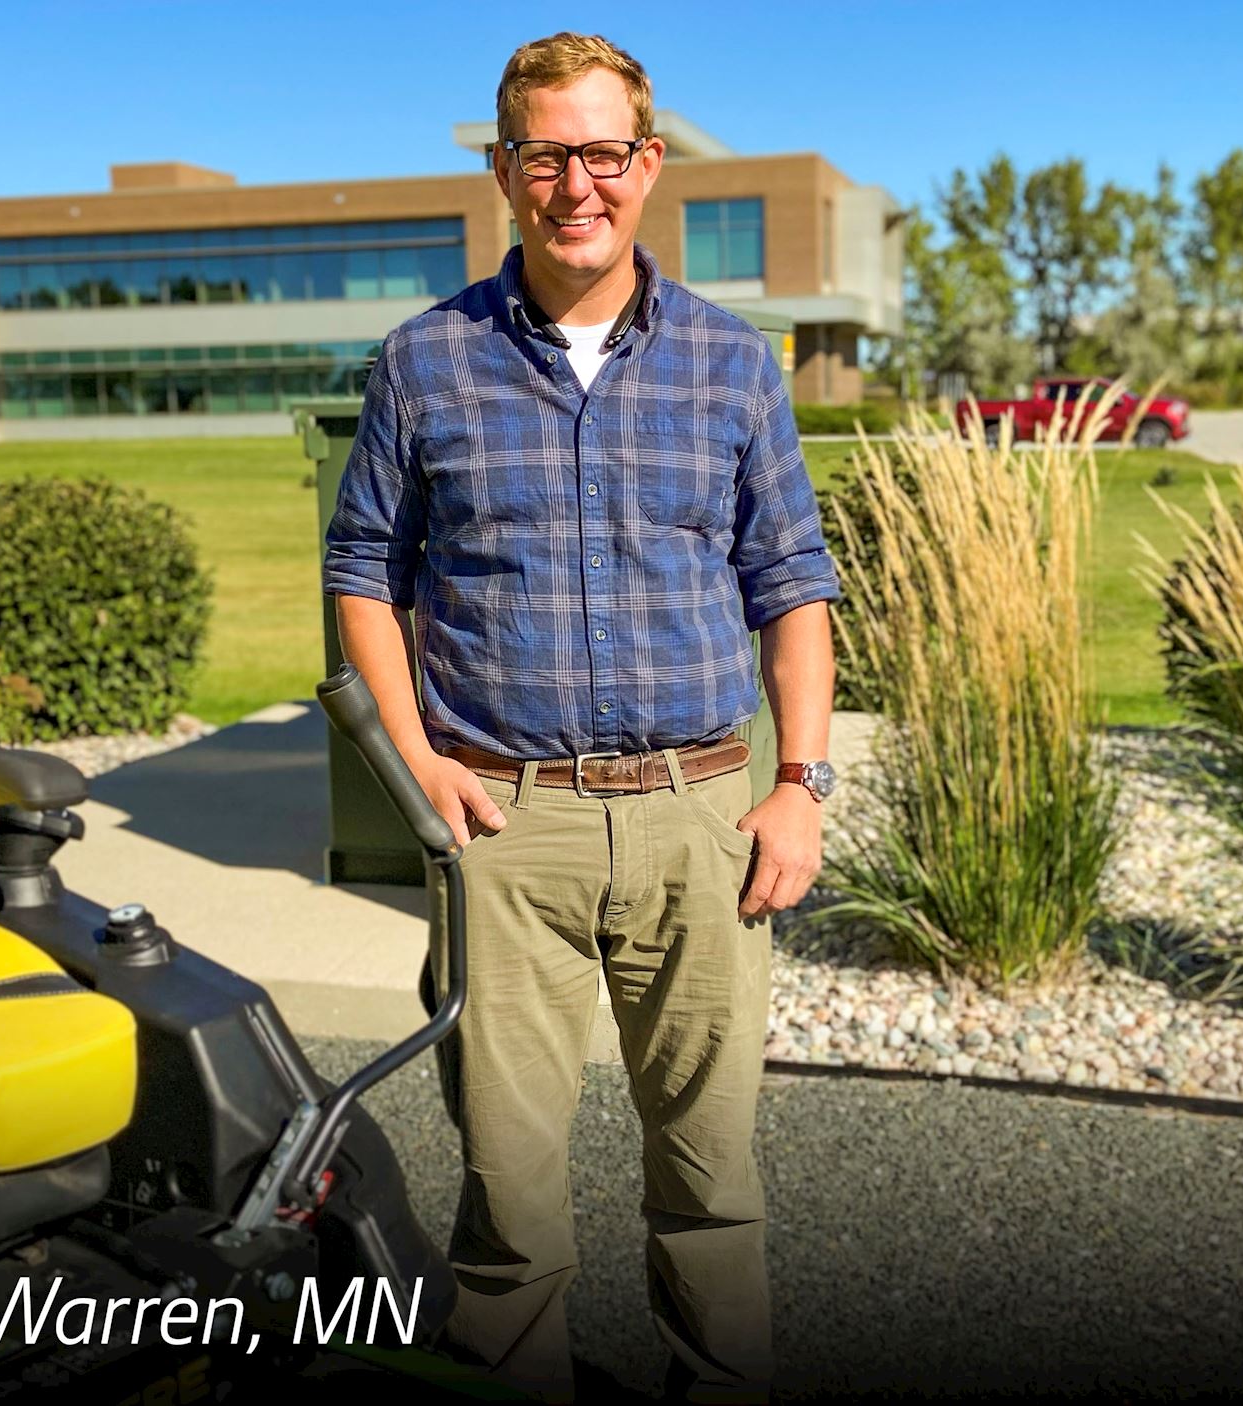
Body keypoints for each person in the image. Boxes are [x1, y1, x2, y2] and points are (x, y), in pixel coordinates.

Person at [322, 31, 841, 1403]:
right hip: (508, 827)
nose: (576, 186)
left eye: (602, 153)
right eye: (545, 156)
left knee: (713, 1183)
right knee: (508, 1196)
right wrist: (417, 763)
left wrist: (801, 785)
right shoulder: (424, 363)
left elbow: (792, 583)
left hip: (702, 822)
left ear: (648, 163)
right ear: (505, 171)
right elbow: (363, 572)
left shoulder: (732, 364)